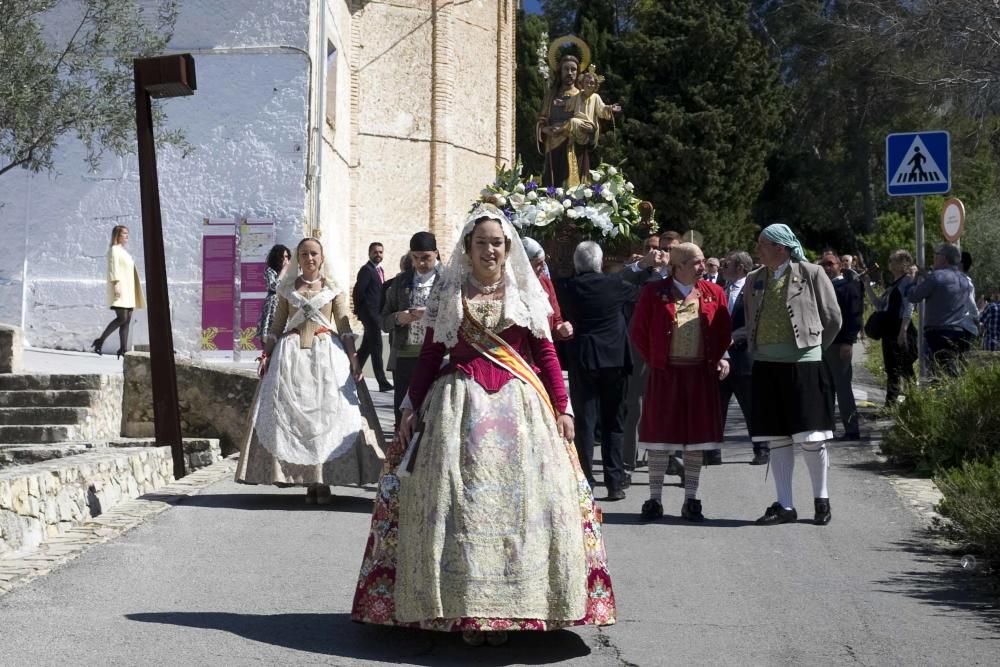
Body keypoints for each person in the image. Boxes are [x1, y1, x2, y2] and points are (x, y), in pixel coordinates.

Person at [351, 204, 616, 646]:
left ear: (506, 247)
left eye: (496, 242)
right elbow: (434, 353)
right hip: (458, 408)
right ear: (467, 249)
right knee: (459, 505)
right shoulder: (449, 294)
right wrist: (410, 406)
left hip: (519, 408)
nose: (489, 250)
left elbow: (547, 354)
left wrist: (563, 406)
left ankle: (514, 608)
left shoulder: (525, 294)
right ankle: (465, 608)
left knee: (520, 507)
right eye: (481, 243)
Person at [236, 237, 383, 503]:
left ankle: (323, 480)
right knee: (295, 420)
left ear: (321, 257)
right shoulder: (286, 289)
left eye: (314, 253)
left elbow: (344, 325)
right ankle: (307, 481)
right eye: (304, 254)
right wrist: (266, 353)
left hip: (327, 355)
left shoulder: (333, 289)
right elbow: (276, 327)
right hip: (291, 356)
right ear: (297, 258)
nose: (309, 258)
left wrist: (354, 358)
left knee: (326, 417)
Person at [745, 224, 841, 526]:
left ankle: (821, 499)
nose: (758, 249)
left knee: (811, 436)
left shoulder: (811, 273)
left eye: (763, 244)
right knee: (777, 438)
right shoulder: (754, 279)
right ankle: (785, 505)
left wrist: (812, 348)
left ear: (781, 248)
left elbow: (833, 317)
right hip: (766, 364)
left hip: (804, 365)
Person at [630, 243, 732, 522]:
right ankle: (654, 499)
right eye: (697, 262)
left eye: (702, 262)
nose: (703, 267)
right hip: (666, 374)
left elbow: (724, 331)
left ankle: (691, 499)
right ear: (679, 265)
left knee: (695, 441)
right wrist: (657, 359)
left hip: (699, 375)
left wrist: (720, 358)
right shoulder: (654, 292)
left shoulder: (715, 293)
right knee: (659, 438)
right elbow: (638, 331)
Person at [561, 241, 639, 501]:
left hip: (584, 359)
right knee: (614, 422)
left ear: (576, 263)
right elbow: (639, 291)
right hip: (615, 359)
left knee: (585, 422)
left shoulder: (569, 288)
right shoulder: (615, 285)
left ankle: (586, 481)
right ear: (600, 261)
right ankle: (615, 482)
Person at [381, 232, 440, 429]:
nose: (421, 263)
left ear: (436, 254)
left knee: (433, 415)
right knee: (403, 414)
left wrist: (431, 313)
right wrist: (399, 317)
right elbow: (384, 320)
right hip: (405, 355)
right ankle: (400, 457)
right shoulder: (401, 282)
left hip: (439, 356)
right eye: (416, 258)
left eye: (426, 258)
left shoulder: (448, 281)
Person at [719, 251, 769, 465]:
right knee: (717, 408)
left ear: (740, 267)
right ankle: (712, 451)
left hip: (744, 358)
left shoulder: (754, 290)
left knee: (751, 407)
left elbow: (756, 321)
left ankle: (761, 449)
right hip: (721, 359)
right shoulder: (722, 290)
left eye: (727, 263)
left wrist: (735, 336)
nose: (723, 266)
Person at [907, 242, 977, 377]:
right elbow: (945, 288)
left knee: (936, 372)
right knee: (950, 370)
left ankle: (944, 395)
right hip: (958, 331)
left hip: (937, 332)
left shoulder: (936, 276)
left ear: (944, 258)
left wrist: (913, 279)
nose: (934, 257)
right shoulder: (965, 280)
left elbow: (913, 296)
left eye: (936, 255)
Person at [863, 250, 917, 404]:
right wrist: (867, 287)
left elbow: (909, 306)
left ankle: (903, 402)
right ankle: (898, 401)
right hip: (890, 330)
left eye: (893, 260)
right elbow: (880, 305)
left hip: (899, 329)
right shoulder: (893, 285)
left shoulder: (906, 281)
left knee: (903, 367)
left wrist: (903, 330)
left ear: (902, 264)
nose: (890, 263)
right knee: (893, 367)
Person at [819, 252, 863, 440]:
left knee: (843, 387)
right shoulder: (820, 288)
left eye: (831, 263)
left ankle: (852, 429)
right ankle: (828, 426)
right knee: (824, 387)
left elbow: (854, 316)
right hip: (822, 344)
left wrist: (848, 341)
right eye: (824, 264)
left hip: (839, 344)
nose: (827, 267)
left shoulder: (848, 287)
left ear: (839, 266)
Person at [92, 225, 145, 358]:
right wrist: (116, 285)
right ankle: (100, 341)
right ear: (117, 235)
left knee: (127, 321)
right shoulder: (114, 250)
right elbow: (113, 268)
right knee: (122, 318)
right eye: (124, 234)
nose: (127, 236)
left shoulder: (124, 252)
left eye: (127, 233)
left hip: (129, 290)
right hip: (120, 289)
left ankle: (123, 349)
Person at [354, 241, 393, 391]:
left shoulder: (379, 270)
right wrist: (360, 312)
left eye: (380, 252)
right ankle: (382, 382)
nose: (378, 255)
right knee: (377, 347)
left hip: (376, 314)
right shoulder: (366, 270)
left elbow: (379, 290)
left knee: (366, 348)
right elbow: (358, 292)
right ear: (369, 253)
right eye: (375, 252)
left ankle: (352, 372)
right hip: (370, 316)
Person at [522, 237, 573, 340]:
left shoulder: (544, 281)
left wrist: (561, 329)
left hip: (544, 348)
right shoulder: (509, 287)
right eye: (538, 264)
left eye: (543, 262)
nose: (543, 268)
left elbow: (556, 319)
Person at [256, 244, 291, 344]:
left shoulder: (290, 273)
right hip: (273, 305)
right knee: (270, 333)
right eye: (282, 256)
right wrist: (283, 271)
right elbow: (274, 287)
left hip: (285, 304)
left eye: (286, 256)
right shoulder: (270, 271)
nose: (285, 259)